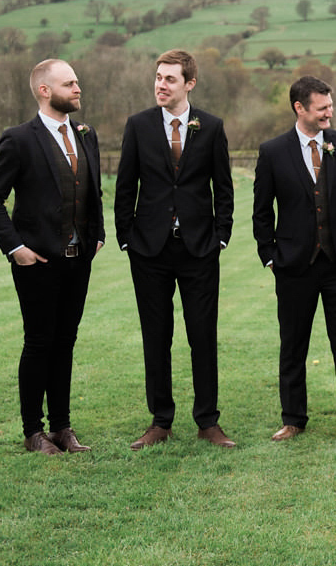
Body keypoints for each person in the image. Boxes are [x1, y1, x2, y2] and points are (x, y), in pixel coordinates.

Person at [0, 59, 104, 456]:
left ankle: (62, 428)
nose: (78, 88)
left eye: (77, 82)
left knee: (66, 342)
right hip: (37, 262)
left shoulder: (86, 134)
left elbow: (93, 190)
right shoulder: (19, 139)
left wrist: (97, 234)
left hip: (77, 258)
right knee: (39, 342)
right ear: (45, 91)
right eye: (70, 83)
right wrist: (16, 249)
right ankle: (33, 431)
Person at [115, 49, 235, 450]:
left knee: (202, 336)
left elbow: (224, 188)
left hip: (200, 249)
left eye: (170, 79)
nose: (160, 85)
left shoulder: (212, 127)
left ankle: (208, 421)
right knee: (156, 336)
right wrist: (127, 238)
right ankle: (160, 421)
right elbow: (125, 187)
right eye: (158, 77)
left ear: (189, 84)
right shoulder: (138, 126)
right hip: (149, 251)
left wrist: (220, 236)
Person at [252, 76, 336, 447]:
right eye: (321, 108)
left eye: (330, 106)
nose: (329, 113)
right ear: (299, 108)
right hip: (293, 266)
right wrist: (270, 257)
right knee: (293, 345)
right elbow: (261, 212)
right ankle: (293, 419)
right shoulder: (273, 151)